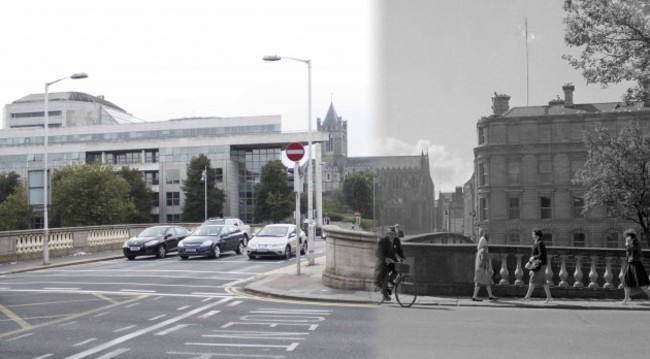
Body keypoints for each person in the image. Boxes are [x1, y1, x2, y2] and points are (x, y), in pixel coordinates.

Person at [521, 228, 553, 304]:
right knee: (543, 282)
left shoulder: (540, 243)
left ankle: (527, 297)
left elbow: (541, 254)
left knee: (532, 279)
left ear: (538, 236)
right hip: (539, 263)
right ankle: (549, 298)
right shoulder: (537, 242)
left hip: (541, 264)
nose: (532, 236)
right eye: (532, 234)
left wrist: (532, 258)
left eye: (534, 234)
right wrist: (531, 261)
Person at [374, 226, 406, 301]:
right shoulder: (383, 241)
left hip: (391, 261)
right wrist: (385, 258)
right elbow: (377, 253)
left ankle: (391, 281)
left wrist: (403, 257)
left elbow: (400, 250)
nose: (391, 236)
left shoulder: (397, 241)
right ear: (387, 234)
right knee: (387, 275)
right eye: (390, 234)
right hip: (383, 262)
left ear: (395, 234)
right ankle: (385, 294)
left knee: (397, 268)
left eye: (393, 234)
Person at [620, 228, 650, 304]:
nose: (625, 238)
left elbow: (635, 251)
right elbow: (628, 255)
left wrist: (628, 244)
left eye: (626, 236)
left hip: (636, 264)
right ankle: (626, 299)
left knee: (641, 283)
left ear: (630, 236)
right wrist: (627, 245)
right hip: (630, 263)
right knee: (626, 282)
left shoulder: (635, 243)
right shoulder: (629, 243)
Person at [472, 231, 497, 301]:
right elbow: (483, 260)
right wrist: (487, 268)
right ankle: (475, 296)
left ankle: (490, 295)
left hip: (480, 269)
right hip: (483, 270)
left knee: (485, 282)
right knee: (483, 282)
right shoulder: (483, 250)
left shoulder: (480, 250)